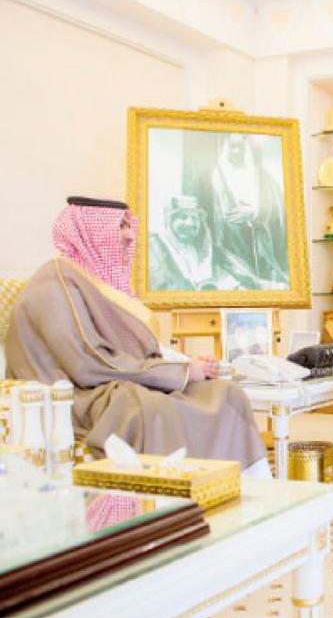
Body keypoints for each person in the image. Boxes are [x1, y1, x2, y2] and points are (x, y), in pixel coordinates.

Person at [5, 197, 270, 477]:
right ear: (90, 230)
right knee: (148, 408)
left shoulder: (93, 280)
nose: (130, 235)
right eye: (120, 226)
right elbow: (87, 362)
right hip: (76, 393)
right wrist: (179, 372)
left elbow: (129, 351)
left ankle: (237, 488)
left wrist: (185, 364)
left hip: (116, 378)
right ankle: (170, 495)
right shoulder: (55, 281)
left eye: (129, 226)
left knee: (226, 394)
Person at [203, 133, 289, 288]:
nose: (236, 151)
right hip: (226, 246)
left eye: (241, 147)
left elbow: (279, 207)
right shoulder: (210, 178)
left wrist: (255, 213)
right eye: (232, 147)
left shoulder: (263, 177)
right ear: (224, 148)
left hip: (261, 249)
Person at [148, 195, 259, 291]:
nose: (190, 223)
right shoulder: (153, 249)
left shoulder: (214, 253)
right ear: (169, 221)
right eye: (183, 217)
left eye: (194, 218)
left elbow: (241, 280)